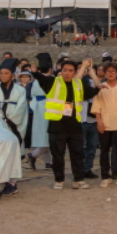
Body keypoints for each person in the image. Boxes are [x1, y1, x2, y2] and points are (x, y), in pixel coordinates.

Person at [32, 57, 97, 190]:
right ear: (60, 71)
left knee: (77, 154)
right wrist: (34, 71)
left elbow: (94, 90)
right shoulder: (52, 82)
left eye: (70, 71)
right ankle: (59, 179)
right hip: (57, 126)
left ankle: (78, 180)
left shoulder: (79, 84)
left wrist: (92, 72)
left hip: (74, 126)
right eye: (64, 70)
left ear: (74, 72)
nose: (67, 73)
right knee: (58, 155)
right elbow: (40, 77)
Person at [0, 58, 29, 145]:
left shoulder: (20, 90)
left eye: (6, 73)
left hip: (14, 123)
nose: (3, 76)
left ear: (12, 75)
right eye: (2, 73)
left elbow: (21, 108)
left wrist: (9, 120)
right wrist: (1, 119)